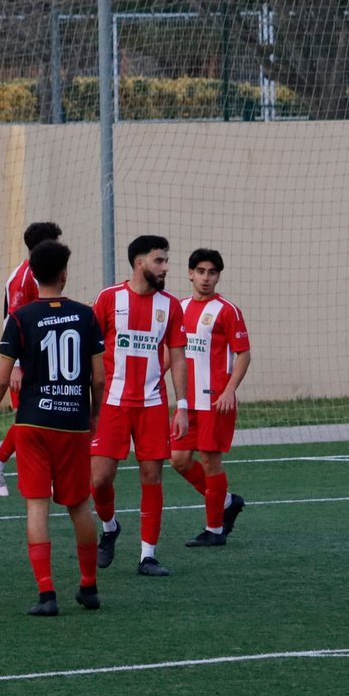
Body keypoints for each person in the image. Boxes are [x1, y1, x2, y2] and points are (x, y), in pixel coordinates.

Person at [0, 239, 107, 615]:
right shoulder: (86, 315)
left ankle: (47, 594)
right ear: (64, 274)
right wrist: (93, 414)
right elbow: (99, 378)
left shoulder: (21, 318)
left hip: (33, 423)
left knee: (37, 506)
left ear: (33, 276)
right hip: (73, 423)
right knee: (79, 506)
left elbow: (1, 379)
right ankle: (88, 587)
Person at [90, 234, 190, 577]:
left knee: (151, 475)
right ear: (139, 263)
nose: (165, 267)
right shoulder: (108, 299)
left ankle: (148, 555)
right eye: (159, 261)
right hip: (111, 404)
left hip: (152, 404)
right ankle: (110, 527)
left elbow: (178, 357)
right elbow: (90, 351)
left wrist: (182, 406)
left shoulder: (170, 306)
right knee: (99, 479)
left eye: (166, 261)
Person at [169, 248, 250, 548]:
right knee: (178, 460)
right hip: (186, 402)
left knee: (209, 461)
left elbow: (244, 354)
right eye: (201, 271)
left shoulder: (227, 310)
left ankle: (214, 530)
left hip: (214, 400)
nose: (206, 278)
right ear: (190, 273)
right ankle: (227, 501)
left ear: (218, 277)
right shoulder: (178, 308)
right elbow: (173, 352)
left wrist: (229, 390)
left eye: (212, 273)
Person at [0, 222, 64, 497]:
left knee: (42, 416)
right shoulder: (22, 278)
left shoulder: (44, 274)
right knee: (28, 419)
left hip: (44, 361)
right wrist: (16, 366)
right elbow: (13, 322)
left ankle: (1, 464)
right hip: (26, 363)